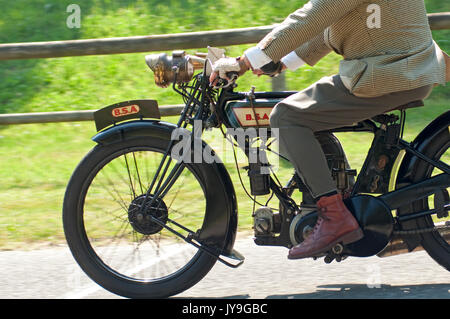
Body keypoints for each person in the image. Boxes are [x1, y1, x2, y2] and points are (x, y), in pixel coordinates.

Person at [209, 0, 450, 259]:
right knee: (305, 111)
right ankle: (339, 195)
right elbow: (331, 26)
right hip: (403, 67)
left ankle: (334, 216)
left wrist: (245, 61)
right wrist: (280, 62)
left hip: (390, 73)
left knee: (287, 116)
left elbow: (313, 16)